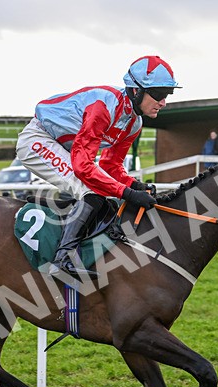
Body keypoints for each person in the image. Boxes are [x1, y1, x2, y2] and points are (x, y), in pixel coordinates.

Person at [16, 55, 179, 276]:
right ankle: (62, 258)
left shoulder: (134, 123)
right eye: (158, 95)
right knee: (92, 190)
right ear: (135, 90)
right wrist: (128, 193)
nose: (163, 102)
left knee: (106, 192)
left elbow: (110, 166)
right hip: (39, 139)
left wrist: (134, 185)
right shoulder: (103, 107)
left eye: (166, 95)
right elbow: (83, 167)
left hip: (65, 147)